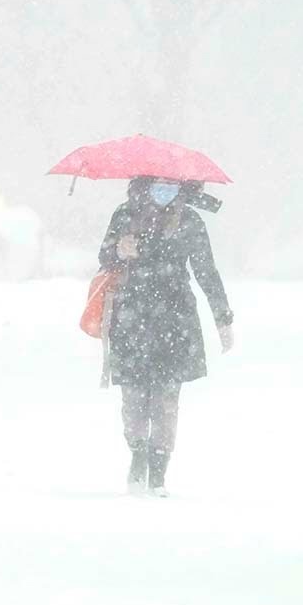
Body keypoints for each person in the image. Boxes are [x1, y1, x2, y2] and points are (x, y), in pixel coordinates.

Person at [98, 177, 234, 497]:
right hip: (131, 317)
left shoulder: (189, 220)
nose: (164, 190)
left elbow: (206, 271)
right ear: (145, 184)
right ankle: (138, 454)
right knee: (132, 398)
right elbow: (104, 257)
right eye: (159, 184)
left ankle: (158, 472)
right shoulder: (124, 214)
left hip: (175, 320)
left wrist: (223, 317)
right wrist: (119, 250)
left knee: (166, 401)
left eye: (171, 185)